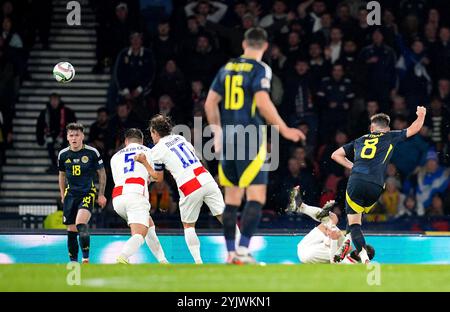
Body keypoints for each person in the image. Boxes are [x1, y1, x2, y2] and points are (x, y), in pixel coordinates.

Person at [204, 27, 305, 264]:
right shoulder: (261, 69)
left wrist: (217, 132)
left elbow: (210, 103)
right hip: (249, 137)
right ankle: (243, 251)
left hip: (228, 139)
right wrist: (284, 129)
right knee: (256, 197)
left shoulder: (227, 68)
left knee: (231, 199)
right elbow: (262, 101)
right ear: (265, 46)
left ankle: (230, 253)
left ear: (244, 44)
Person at [330, 107, 426, 263]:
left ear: (371, 128)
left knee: (354, 222)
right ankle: (347, 239)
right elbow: (414, 129)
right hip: (376, 186)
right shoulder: (390, 136)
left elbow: (335, 155)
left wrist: (353, 167)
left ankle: (363, 256)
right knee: (356, 214)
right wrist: (421, 115)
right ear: (387, 128)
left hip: (357, 181)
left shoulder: (360, 140)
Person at [135, 115, 234, 264]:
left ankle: (198, 262)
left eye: (151, 132)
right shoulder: (180, 139)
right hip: (205, 178)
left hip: (189, 184)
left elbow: (158, 178)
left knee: (188, 225)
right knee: (223, 216)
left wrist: (144, 162)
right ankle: (241, 252)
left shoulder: (156, 150)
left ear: (154, 132)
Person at [110, 128, 168, 264]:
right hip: (135, 194)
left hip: (117, 197)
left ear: (126, 141)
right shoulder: (148, 152)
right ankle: (123, 256)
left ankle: (163, 261)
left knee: (149, 226)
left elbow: (118, 177)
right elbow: (156, 177)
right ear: (142, 141)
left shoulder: (115, 157)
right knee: (140, 234)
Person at [57, 123, 107, 263]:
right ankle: (73, 262)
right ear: (67, 137)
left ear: (82, 136)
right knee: (71, 231)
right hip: (70, 195)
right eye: (71, 135)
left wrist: (101, 194)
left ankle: (86, 259)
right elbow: (61, 175)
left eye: (77, 135)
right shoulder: (63, 154)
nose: (74, 138)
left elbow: (102, 173)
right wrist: (62, 194)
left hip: (87, 193)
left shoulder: (92, 152)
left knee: (80, 223)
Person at [287, 188, 375, 264]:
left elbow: (334, 262)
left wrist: (333, 240)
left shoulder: (349, 263)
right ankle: (301, 207)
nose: (356, 250)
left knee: (344, 242)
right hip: (303, 247)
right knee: (331, 220)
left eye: (359, 249)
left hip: (309, 255)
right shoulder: (348, 251)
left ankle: (303, 208)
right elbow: (351, 231)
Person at [37, 93, 77, 173]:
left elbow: (73, 125)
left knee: (62, 146)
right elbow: (40, 126)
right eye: (52, 100)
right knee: (50, 145)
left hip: (64, 135)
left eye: (56, 100)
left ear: (59, 101)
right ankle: (54, 165)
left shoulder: (67, 112)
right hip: (50, 135)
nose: (54, 102)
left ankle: (61, 165)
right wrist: (40, 139)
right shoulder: (45, 113)